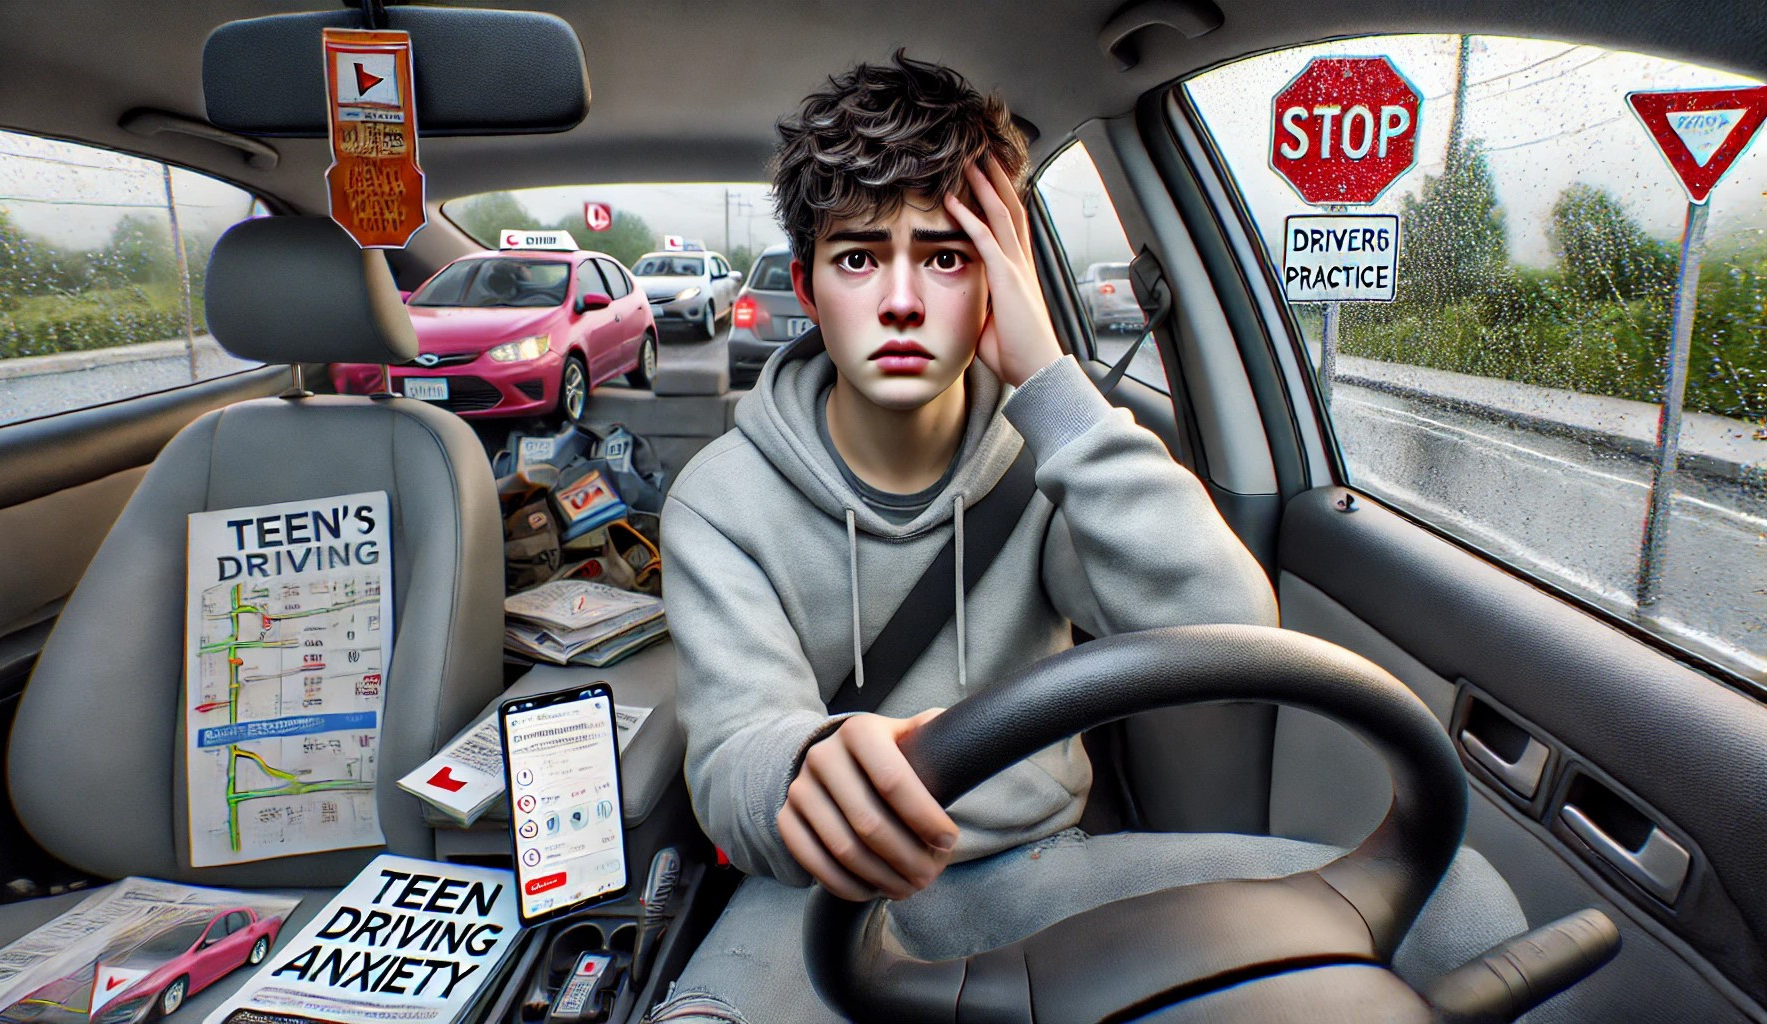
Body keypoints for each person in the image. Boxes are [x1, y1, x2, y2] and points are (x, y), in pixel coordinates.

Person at [647, 51, 1536, 1024]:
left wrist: (1051, 381)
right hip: (818, 903)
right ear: (810, 291)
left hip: (1042, 874)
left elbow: (1228, 631)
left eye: (945, 256)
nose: (900, 299)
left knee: (1461, 903)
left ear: (997, 279)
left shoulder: (1055, 452)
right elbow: (735, 748)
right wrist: (803, 770)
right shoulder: (719, 499)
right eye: (859, 257)